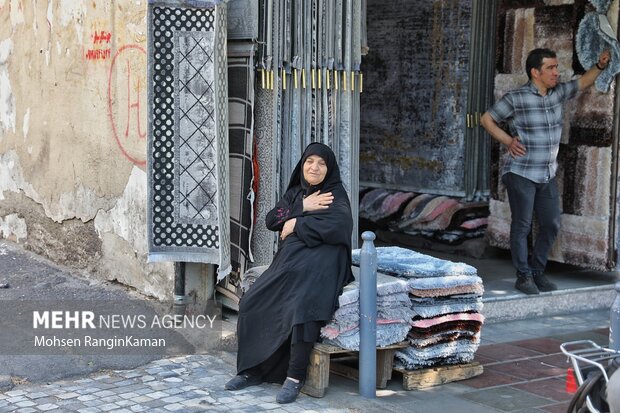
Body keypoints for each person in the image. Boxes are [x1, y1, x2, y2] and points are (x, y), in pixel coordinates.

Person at [224, 142, 354, 404]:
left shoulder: (335, 193)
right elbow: (273, 220)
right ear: (302, 165)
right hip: (291, 262)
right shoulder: (297, 194)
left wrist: (296, 225)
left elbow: (339, 225)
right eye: (310, 161)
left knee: (303, 304)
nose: (314, 167)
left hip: (324, 264)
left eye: (321, 163)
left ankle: (294, 377)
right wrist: (301, 209)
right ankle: (253, 370)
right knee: (252, 301)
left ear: (329, 168)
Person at [481, 48, 611, 295]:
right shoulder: (516, 97)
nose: (556, 72)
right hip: (521, 172)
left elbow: (583, 81)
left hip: (546, 174)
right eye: (551, 68)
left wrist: (600, 65)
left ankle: (538, 271)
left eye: (556, 67)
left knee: (551, 223)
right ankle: (523, 276)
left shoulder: (558, 93)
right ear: (535, 72)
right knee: (522, 225)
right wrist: (508, 141)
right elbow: (487, 119)